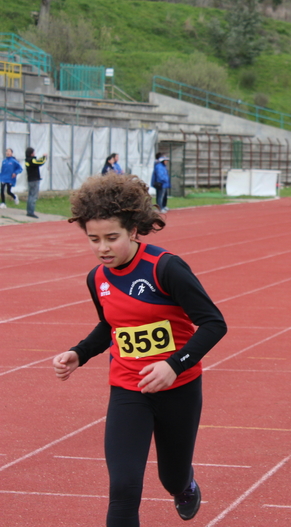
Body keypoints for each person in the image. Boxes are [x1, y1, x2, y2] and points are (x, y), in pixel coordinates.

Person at [51, 174, 226, 527]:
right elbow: (110, 326)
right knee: (124, 487)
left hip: (178, 388)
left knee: (171, 478)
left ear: (133, 230)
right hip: (128, 388)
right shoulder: (97, 278)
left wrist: (173, 365)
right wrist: (80, 353)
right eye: (93, 239)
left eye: (111, 238)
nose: (102, 248)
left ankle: (184, 483)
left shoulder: (165, 268)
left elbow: (213, 324)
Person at [25, 147, 47, 218]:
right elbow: (40, 162)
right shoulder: (32, 160)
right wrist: (44, 157)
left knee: (30, 196)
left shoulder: (27, 160)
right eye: (33, 152)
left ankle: (29, 211)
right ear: (31, 153)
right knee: (33, 196)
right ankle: (31, 212)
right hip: (34, 180)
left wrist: (41, 157)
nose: (34, 154)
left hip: (30, 180)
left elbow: (36, 161)